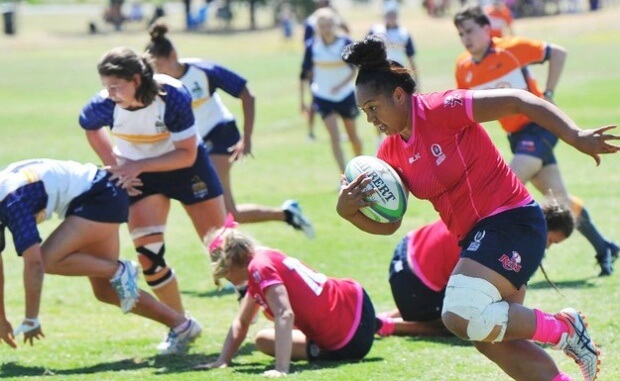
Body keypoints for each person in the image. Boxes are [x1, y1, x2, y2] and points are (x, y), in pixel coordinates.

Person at [337, 35, 618, 381]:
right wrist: (348, 211)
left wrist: (575, 136)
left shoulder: (441, 109)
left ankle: (564, 328)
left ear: (398, 95)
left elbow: (519, 101)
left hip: (513, 220)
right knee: (488, 337)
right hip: (476, 239)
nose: (370, 120)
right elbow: (391, 224)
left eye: (373, 108)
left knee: (459, 315)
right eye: (364, 111)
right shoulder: (390, 153)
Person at [453, 6, 618, 277]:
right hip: (516, 137)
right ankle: (605, 248)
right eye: (461, 34)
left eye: (470, 31)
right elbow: (467, 111)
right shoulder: (463, 68)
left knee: (507, 185)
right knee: (561, 202)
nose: (466, 38)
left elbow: (558, 53)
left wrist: (549, 92)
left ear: (486, 29)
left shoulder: (511, 48)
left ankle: (507, 264)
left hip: (541, 125)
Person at [78, 47, 226, 347]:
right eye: (106, 86)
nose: (109, 93)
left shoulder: (171, 96)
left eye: (116, 86)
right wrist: (118, 167)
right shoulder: (104, 105)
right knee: (149, 257)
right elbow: (89, 127)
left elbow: (186, 155)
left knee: (223, 248)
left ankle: (270, 314)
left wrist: (136, 166)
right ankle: (181, 325)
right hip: (140, 175)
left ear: (136, 79)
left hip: (186, 167)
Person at [0, 159, 200, 354]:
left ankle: (120, 269)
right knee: (106, 290)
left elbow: (35, 263)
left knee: (47, 259)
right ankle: (182, 326)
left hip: (99, 195)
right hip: (101, 192)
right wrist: (1, 320)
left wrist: (31, 319)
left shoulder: (12, 200)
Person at [145, 21, 315, 239]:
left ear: (172, 56)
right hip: (194, 144)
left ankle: (234, 253)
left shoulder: (202, 71)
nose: (156, 74)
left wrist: (247, 138)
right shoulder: (156, 86)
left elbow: (247, 93)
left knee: (221, 210)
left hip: (221, 133)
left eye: (158, 67)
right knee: (229, 212)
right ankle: (287, 214)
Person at [195, 215, 376, 377]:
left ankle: (369, 330)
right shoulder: (259, 261)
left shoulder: (259, 267)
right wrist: (223, 360)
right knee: (264, 340)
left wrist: (281, 368)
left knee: (271, 336)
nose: (226, 278)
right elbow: (242, 322)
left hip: (350, 333)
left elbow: (285, 314)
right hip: (355, 309)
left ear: (235, 262)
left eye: (225, 272)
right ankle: (383, 324)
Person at [377, 202, 575, 338]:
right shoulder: (515, 242)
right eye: (550, 241)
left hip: (407, 250)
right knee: (459, 320)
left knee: (454, 292)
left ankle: (386, 316)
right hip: (414, 284)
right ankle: (387, 325)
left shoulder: (506, 209)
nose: (547, 248)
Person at [300, 7, 362, 174]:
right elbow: (305, 74)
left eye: (329, 25)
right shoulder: (312, 46)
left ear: (335, 25)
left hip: (345, 95)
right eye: (322, 25)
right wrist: (303, 101)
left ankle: (362, 170)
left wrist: (341, 86)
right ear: (317, 27)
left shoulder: (345, 43)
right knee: (334, 137)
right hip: (323, 96)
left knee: (353, 137)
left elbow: (354, 70)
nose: (326, 29)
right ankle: (346, 177)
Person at [301, 0, 350, 141]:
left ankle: (337, 131)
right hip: (319, 64)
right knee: (315, 99)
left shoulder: (333, 16)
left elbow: (346, 30)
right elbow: (307, 43)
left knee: (335, 99)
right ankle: (310, 131)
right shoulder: (311, 21)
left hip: (333, 64)